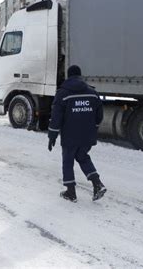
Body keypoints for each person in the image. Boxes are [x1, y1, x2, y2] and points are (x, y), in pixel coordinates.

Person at [47, 65, 106, 202]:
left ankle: (70, 192)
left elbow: (56, 117)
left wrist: (52, 136)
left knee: (68, 161)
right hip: (87, 135)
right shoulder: (92, 93)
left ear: (69, 76)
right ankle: (97, 184)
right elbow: (99, 115)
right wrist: (94, 127)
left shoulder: (63, 93)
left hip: (70, 135)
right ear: (80, 76)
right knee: (83, 156)